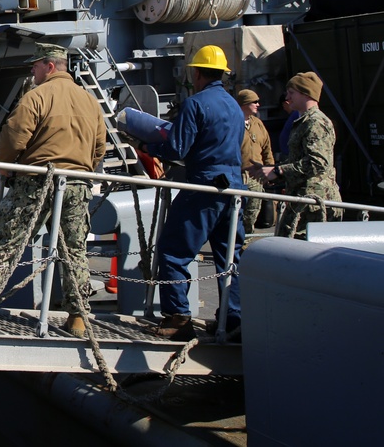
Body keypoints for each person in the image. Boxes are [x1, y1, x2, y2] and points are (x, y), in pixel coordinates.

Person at [0, 43, 106, 338]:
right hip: (76, 185)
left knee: (7, 243)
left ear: (50, 66)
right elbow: (99, 148)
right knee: (73, 249)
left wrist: (7, 166)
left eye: (35, 66)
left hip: (37, 183)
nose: (32, 72)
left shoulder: (36, 97)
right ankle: (77, 318)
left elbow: (13, 136)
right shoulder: (90, 101)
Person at [141, 45, 245, 340]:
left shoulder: (195, 105)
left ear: (197, 73)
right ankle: (233, 319)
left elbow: (177, 149)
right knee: (230, 258)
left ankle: (178, 317)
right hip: (234, 191)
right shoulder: (235, 107)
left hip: (204, 188)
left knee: (174, 251)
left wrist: (149, 146)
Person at [250, 72, 341, 239]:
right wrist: (271, 170)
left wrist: (279, 171)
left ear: (306, 93)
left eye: (291, 92)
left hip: (314, 205)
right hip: (302, 200)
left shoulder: (315, 122)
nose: (287, 97)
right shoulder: (303, 121)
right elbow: (299, 161)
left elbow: (318, 163)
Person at [237, 89, 274, 240]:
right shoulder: (233, 123)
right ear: (244, 104)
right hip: (237, 176)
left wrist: (270, 169)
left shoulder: (258, 124)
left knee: (252, 213)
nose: (258, 104)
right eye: (254, 101)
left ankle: (245, 243)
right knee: (234, 213)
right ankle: (233, 243)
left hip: (256, 177)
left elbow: (267, 148)